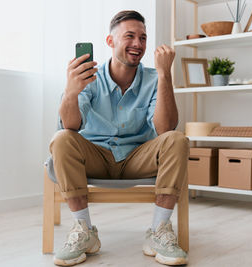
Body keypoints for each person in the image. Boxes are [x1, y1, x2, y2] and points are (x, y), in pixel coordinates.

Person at [49, 10, 189, 266]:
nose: (138, 44)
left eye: (143, 38)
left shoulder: (154, 78)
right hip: (96, 155)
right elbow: (71, 125)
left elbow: (165, 128)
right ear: (110, 41)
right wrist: (71, 91)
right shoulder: (89, 78)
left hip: (138, 157)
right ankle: (84, 230)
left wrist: (165, 75)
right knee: (61, 138)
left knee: (177, 139)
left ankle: (159, 231)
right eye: (130, 36)